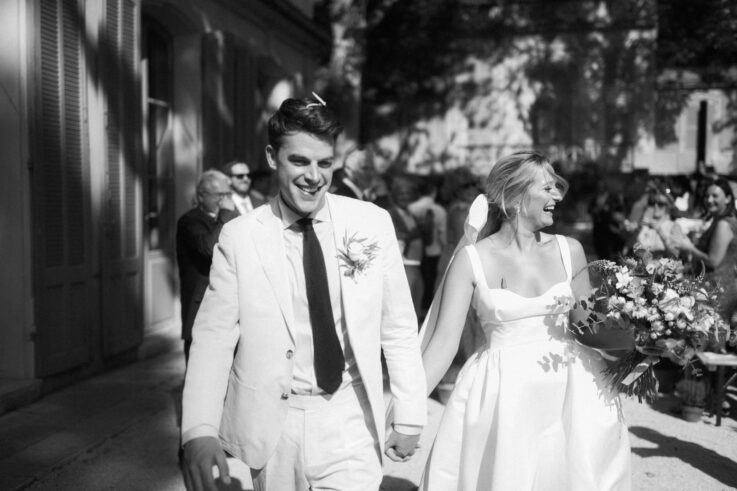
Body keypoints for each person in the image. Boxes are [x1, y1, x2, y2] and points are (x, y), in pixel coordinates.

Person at [180, 97, 427, 491]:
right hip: (274, 426)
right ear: (272, 157)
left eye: (324, 163)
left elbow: (398, 325)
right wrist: (198, 429)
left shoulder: (371, 223)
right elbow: (213, 338)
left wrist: (410, 414)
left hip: (351, 416)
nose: (314, 176)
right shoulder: (240, 237)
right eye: (300, 161)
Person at [419, 151, 631, 490]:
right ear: (514, 196)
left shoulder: (570, 250)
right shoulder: (471, 260)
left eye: (556, 188)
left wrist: (644, 334)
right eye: (547, 188)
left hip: (572, 395)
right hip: (504, 397)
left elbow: (589, 326)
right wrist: (409, 412)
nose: (557, 196)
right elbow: (443, 344)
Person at [176, 169, 239, 363]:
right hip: (200, 306)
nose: (224, 200)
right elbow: (209, 249)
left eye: (227, 194)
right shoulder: (190, 221)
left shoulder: (230, 218)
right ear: (201, 196)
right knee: (200, 368)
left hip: (228, 305)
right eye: (219, 195)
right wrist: (226, 214)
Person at [674, 177, 737, 328]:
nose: (709, 200)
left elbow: (713, 261)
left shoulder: (724, 224)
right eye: (707, 196)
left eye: (715, 196)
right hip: (716, 286)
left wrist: (689, 247)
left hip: (718, 290)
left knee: (713, 333)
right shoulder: (720, 220)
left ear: (728, 198)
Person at [388, 174, 430, 319]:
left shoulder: (412, 214)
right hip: (404, 267)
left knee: (416, 307)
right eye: (401, 193)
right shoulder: (390, 214)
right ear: (394, 195)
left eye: (408, 193)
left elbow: (426, 241)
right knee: (405, 310)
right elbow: (395, 238)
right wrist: (413, 233)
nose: (405, 197)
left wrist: (426, 228)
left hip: (417, 266)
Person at [409, 175, 447, 316]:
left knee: (418, 282)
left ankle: (416, 309)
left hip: (415, 252)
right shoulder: (439, 210)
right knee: (430, 282)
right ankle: (428, 311)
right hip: (434, 251)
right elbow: (442, 234)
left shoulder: (411, 208)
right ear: (434, 192)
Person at [634, 182, 685, 259]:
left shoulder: (674, 226)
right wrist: (641, 229)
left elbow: (675, 254)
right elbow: (637, 250)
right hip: (646, 265)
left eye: (660, 204)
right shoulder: (647, 224)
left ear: (668, 207)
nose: (655, 206)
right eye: (653, 202)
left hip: (664, 266)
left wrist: (660, 231)